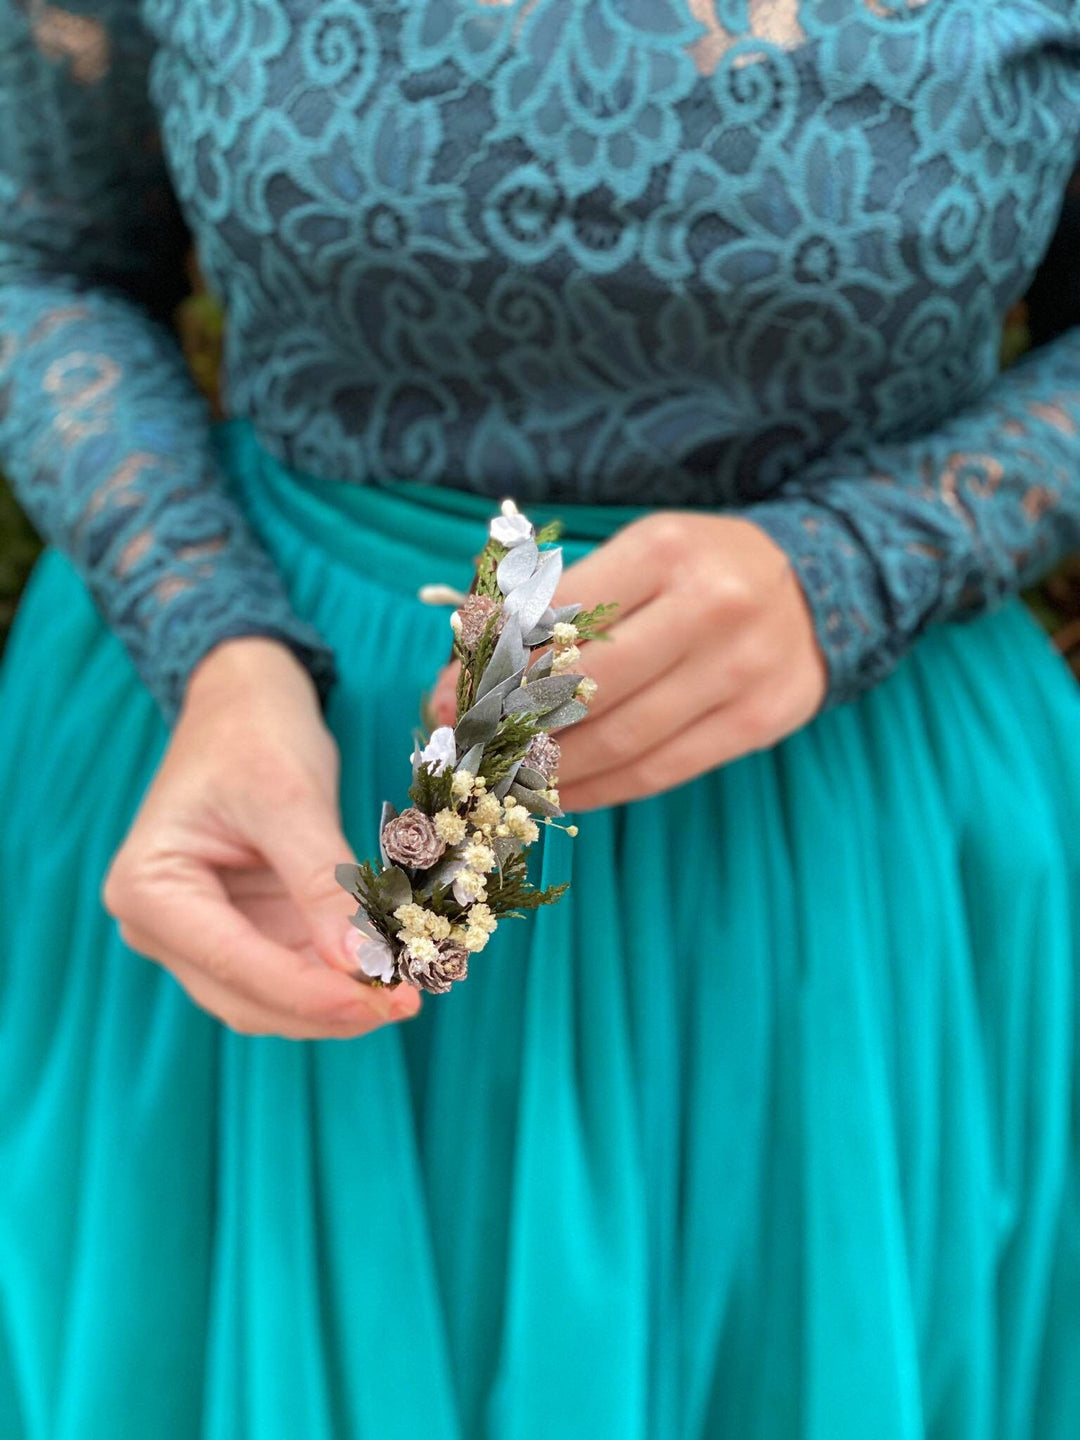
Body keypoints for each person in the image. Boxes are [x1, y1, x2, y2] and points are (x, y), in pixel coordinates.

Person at [1, 2, 1078, 1436]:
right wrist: (209, 636)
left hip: (852, 837)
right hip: (256, 782)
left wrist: (869, 560)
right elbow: (41, 254)